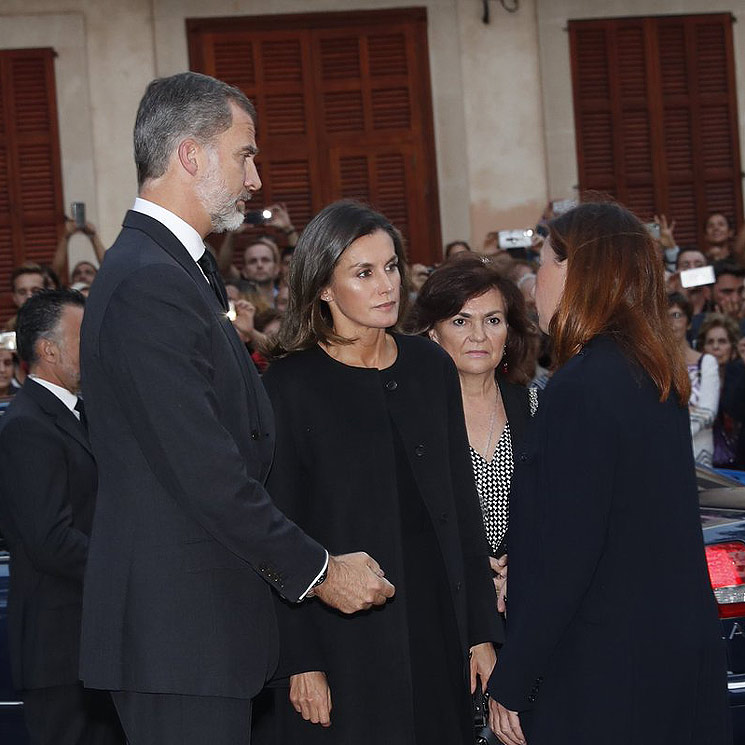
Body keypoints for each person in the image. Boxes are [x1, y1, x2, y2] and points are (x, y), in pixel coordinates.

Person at [78, 72, 394, 745]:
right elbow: (205, 468)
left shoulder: (172, 268)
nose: (255, 179)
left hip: (195, 629)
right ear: (190, 155)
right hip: (177, 631)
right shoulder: (148, 282)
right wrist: (318, 570)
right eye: (244, 154)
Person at [254, 200, 500, 745]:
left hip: (436, 620)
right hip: (341, 636)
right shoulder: (288, 387)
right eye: (364, 273)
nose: (386, 285)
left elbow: (463, 502)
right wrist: (300, 660)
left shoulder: (428, 365)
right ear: (322, 286)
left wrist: (480, 631)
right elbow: (277, 529)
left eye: (391, 267)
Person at [487, 201, 730, 745]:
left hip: (606, 671)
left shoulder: (583, 386)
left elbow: (569, 553)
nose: (534, 285)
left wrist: (515, 674)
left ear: (577, 272)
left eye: (545, 263)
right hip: (664, 660)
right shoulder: (649, 372)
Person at [0, 289, 125, 745]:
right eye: (83, 336)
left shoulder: (79, 414)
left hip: (89, 645)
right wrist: (129, 568)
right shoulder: (27, 426)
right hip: (59, 651)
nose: (95, 346)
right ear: (47, 349)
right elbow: (50, 540)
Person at [405, 255, 535, 592]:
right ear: (433, 334)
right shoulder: (410, 420)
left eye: (492, 320)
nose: (478, 335)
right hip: (444, 602)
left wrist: (526, 566)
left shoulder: (539, 410)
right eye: (461, 321)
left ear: (509, 332)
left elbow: (564, 514)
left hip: (530, 600)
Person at [667, 292, 719, 465]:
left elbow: (708, 412)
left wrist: (676, 433)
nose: (670, 323)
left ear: (688, 322)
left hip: (699, 456)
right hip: (666, 456)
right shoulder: (656, 367)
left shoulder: (707, 362)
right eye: (663, 317)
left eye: (676, 315)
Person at [698, 313, 745, 468]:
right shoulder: (695, 380)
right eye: (710, 342)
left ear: (733, 346)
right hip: (706, 460)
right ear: (702, 348)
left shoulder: (740, 373)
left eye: (722, 341)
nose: (716, 347)